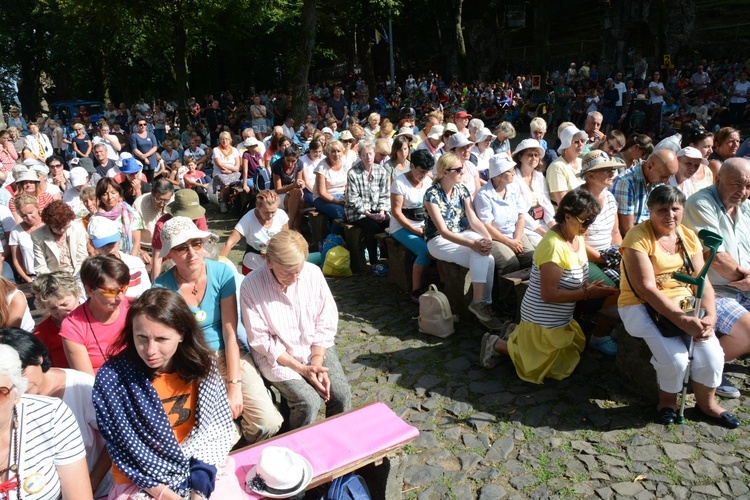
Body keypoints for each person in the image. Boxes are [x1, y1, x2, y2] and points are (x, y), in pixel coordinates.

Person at [93, 288, 234, 500]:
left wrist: (199, 491)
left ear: (182, 334)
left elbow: (214, 434)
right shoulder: (112, 378)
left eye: (161, 339)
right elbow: (124, 452)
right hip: (139, 481)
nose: (150, 350)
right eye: (141, 337)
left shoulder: (203, 368)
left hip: (199, 470)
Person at [619, 186, 740, 428]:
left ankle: (708, 404)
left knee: (713, 356)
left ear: (683, 209)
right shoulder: (638, 237)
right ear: (650, 211)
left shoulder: (687, 235)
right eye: (662, 210)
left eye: (676, 209)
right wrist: (682, 320)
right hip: (643, 306)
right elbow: (646, 288)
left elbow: (700, 280)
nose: (670, 215)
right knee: (676, 359)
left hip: (685, 304)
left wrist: (711, 315)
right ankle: (667, 403)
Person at [154, 217, 282, 445]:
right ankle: (230, 439)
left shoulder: (222, 273)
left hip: (229, 354)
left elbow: (230, 331)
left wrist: (234, 384)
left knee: (267, 422)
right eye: (182, 248)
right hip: (193, 365)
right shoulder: (162, 288)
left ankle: (243, 436)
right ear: (170, 255)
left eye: (196, 243)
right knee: (216, 436)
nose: (192, 253)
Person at [480, 189, 618, 381]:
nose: (588, 226)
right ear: (567, 216)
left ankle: (515, 335)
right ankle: (496, 343)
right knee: (543, 367)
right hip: (542, 317)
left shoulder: (576, 234)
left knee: (564, 360)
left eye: (591, 220)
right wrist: (587, 293)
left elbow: (580, 267)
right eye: (585, 221)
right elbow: (549, 295)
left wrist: (592, 281)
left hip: (561, 316)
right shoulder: (553, 246)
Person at [241, 230, 352, 429]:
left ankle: (341, 443)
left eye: (297, 271)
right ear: (270, 263)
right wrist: (301, 369)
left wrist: (316, 360)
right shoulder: (250, 285)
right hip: (275, 357)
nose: (294, 278)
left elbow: (326, 319)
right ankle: (295, 448)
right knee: (308, 402)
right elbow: (261, 340)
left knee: (341, 394)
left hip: (313, 347)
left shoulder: (312, 273)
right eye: (286, 272)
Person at [0, 328, 113, 497]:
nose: (20, 383)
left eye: (21, 371)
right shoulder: (14, 403)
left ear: (38, 358)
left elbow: (115, 439)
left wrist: (92, 483)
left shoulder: (81, 387)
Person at [684, 157, 750, 398]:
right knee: (749, 331)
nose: (742, 192)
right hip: (712, 290)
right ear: (718, 178)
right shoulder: (701, 203)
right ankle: (702, 370)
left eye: (748, 186)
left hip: (743, 287)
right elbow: (717, 258)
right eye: (737, 184)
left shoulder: (746, 207)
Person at [423, 153, 501, 330]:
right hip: (438, 240)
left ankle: (482, 304)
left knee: (487, 256)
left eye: (462, 168)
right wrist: (473, 244)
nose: (462, 172)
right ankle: (480, 303)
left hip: (461, 233)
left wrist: (487, 238)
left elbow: (473, 219)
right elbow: (442, 231)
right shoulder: (432, 195)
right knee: (479, 252)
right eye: (457, 169)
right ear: (444, 172)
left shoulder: (461, 189)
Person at [60, 255, 131, 375]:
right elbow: (87, 382)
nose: (120, 297)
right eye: (111, 291)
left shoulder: (134, 308)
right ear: (89, 291)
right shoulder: (73, 326)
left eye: (123, 289)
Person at [473, 153, 534, 277]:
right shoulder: (483, 195)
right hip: (495, 237)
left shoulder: (514, 188)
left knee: (533, 258)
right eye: (509, 172)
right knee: (510, 263)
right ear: (498, 175)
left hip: (514, 233)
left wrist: (516, 239)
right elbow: (487, 227)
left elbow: (521, 216)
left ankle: (526, 290)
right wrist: (508, 242)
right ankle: (505, 295)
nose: (514, 174)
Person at [389, 149, 433, 301]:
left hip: (422, 223)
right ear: (412, 166)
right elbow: (396, 212)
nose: (424, 175)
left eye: (427, 172)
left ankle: (441, 282)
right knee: (424, 250)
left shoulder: (427, 181)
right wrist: (413, 229)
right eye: (421, 171)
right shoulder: (399, 183)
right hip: (401, 226)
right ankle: (416, 289)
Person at [345, 141, 390, 274]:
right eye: (364, 155)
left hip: (376, 209)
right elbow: (353, 198)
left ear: (374, 153)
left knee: (388, 223)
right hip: (357, 211)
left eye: (370, 154)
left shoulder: (381, 170)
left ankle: (388, 257)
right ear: (360, 156)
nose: (368, 157)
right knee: (373, 226)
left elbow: (385, 194)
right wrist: (368, 214)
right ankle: (374, 262)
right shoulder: (353, 173)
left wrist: (382, 211)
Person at [220, 190, 289, 275]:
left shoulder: (281, 215)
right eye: (266, 212)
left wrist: (273, 252)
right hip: (253, 267)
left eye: (273, 212)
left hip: (275, 266)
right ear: (258, 206)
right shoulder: (248, 219)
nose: (270, 216)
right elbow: (229, 243)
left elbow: (286, 240)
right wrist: (219, 266)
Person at [612, 149, 679, 236]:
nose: (666, 181)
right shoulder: (625, 182)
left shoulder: (658, 181)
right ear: (650, 166)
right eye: (663, 177)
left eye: (669, 177)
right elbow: (627, 228)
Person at [88, 217, 151, 298]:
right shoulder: (89, 272)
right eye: (103, 245)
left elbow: (147, 296)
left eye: (112, 243)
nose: (110, 249)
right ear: (92, 244)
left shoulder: (136, 264)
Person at [32, 272, 81, 368]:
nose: (61, 313)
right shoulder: (42, 333)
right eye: (53, 308)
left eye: (65, 304)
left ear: (76, 294)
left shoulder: (97, 316)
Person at [512, 139, 555, 248]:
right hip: (524, 225)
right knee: (547, 246)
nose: (534, 158)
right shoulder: (513, 178)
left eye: (536, 155)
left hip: (542, 221)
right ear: (520, 157)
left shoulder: (539, 176)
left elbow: (546, 203)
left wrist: (553, 226)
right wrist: (542, 232)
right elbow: (519, 211)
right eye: (530, 155)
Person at [31, 200, 89, 276]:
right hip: (53, 278)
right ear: (48, 224)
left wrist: (77, 278)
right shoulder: (37, 235)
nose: (62, 230)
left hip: (77, 274)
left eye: (65, 226)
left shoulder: (78, 229)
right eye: (57, 227)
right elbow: (40, 266)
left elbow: (82, 258)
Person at [94, 177, 143, 256]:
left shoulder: (131, 213)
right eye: (105, 194)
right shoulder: (96, 219)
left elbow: (136, 243)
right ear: (100, 197)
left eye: (113, 192)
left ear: (119, 193)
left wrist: (130, 263)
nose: (110, 197)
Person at [547, 125, 587, 204]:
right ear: (566, 144)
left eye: (582, 141)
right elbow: (562, 203)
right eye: (576, 141)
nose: (580, 144)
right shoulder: (557, 167)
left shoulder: (582, 162)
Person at [9, 194, 42, 283]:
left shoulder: (49, 225)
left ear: (37, 207)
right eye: (24, 215)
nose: (28, 218)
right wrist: (28, 280)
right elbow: (16, 261)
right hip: (33, 278)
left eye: (31, 213)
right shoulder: (16, 231)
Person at [312, 140, 348, 220]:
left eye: (338, 151)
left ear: (342, 152)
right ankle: (333, 233)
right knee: (340, 213)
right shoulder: (322, 167)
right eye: (333, 151)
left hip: (342, 196)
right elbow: (322, 193)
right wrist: (339, 202)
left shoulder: (345, 163)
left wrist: (347, 199)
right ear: (328, 152)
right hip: (323, 198)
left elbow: (347, 185)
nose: (336, 154)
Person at [272, 145, 304, 231]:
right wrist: (293, 185)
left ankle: (291, 227)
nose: (290, 164)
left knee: (297, 193)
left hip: (292, 191)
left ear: (297, 159)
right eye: (288, 160)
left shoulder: (300, 164)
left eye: (293, 161)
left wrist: (300, 183)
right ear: (284, 157)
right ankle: (294, 227)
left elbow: (299, 182)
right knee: (300, 202)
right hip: (277, 192)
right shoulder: (277, 166)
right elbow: (278, 189)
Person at [212, 131, 241, 213]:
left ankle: (237, 202)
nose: (224, 141)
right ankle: (223, 202)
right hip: (220, 172)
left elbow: (238, 165)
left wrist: (232, 169)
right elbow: (219, 164)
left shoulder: (234, 150)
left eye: (226, 139)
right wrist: (233, 168)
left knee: (240, 181)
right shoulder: (216, 150)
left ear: (230, 140)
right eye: (222, 139)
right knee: (226, 184)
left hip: (233, 172)